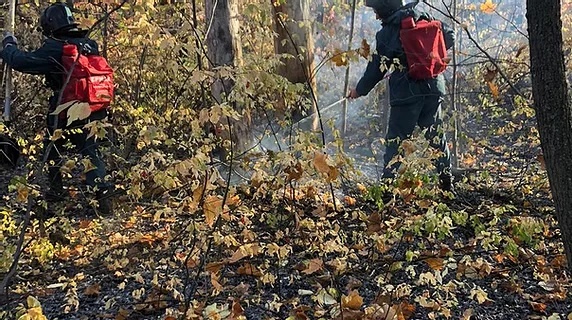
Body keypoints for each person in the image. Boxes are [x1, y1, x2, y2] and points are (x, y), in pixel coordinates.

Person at [1, 2, 113, 214]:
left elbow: (24, 62)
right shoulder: (90, 43)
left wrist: (8, 47)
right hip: (96, 106)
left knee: (52, 149)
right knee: (91, 152)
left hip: (67, 111)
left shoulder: (56, 46)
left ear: (50, 24)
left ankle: (58, 192)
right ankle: (103, 199)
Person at [348, 0, 455, 191]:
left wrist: (359, 90)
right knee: (436, 137)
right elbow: (450, 35)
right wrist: (429, 58)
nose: (375, 15)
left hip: (407, 93)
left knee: (396, 141)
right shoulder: (424, 16)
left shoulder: (388, 32)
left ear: (385, 7)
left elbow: (376, 69)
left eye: (376, 10)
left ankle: (387, 190)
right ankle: (447, 184)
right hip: (433, 87)